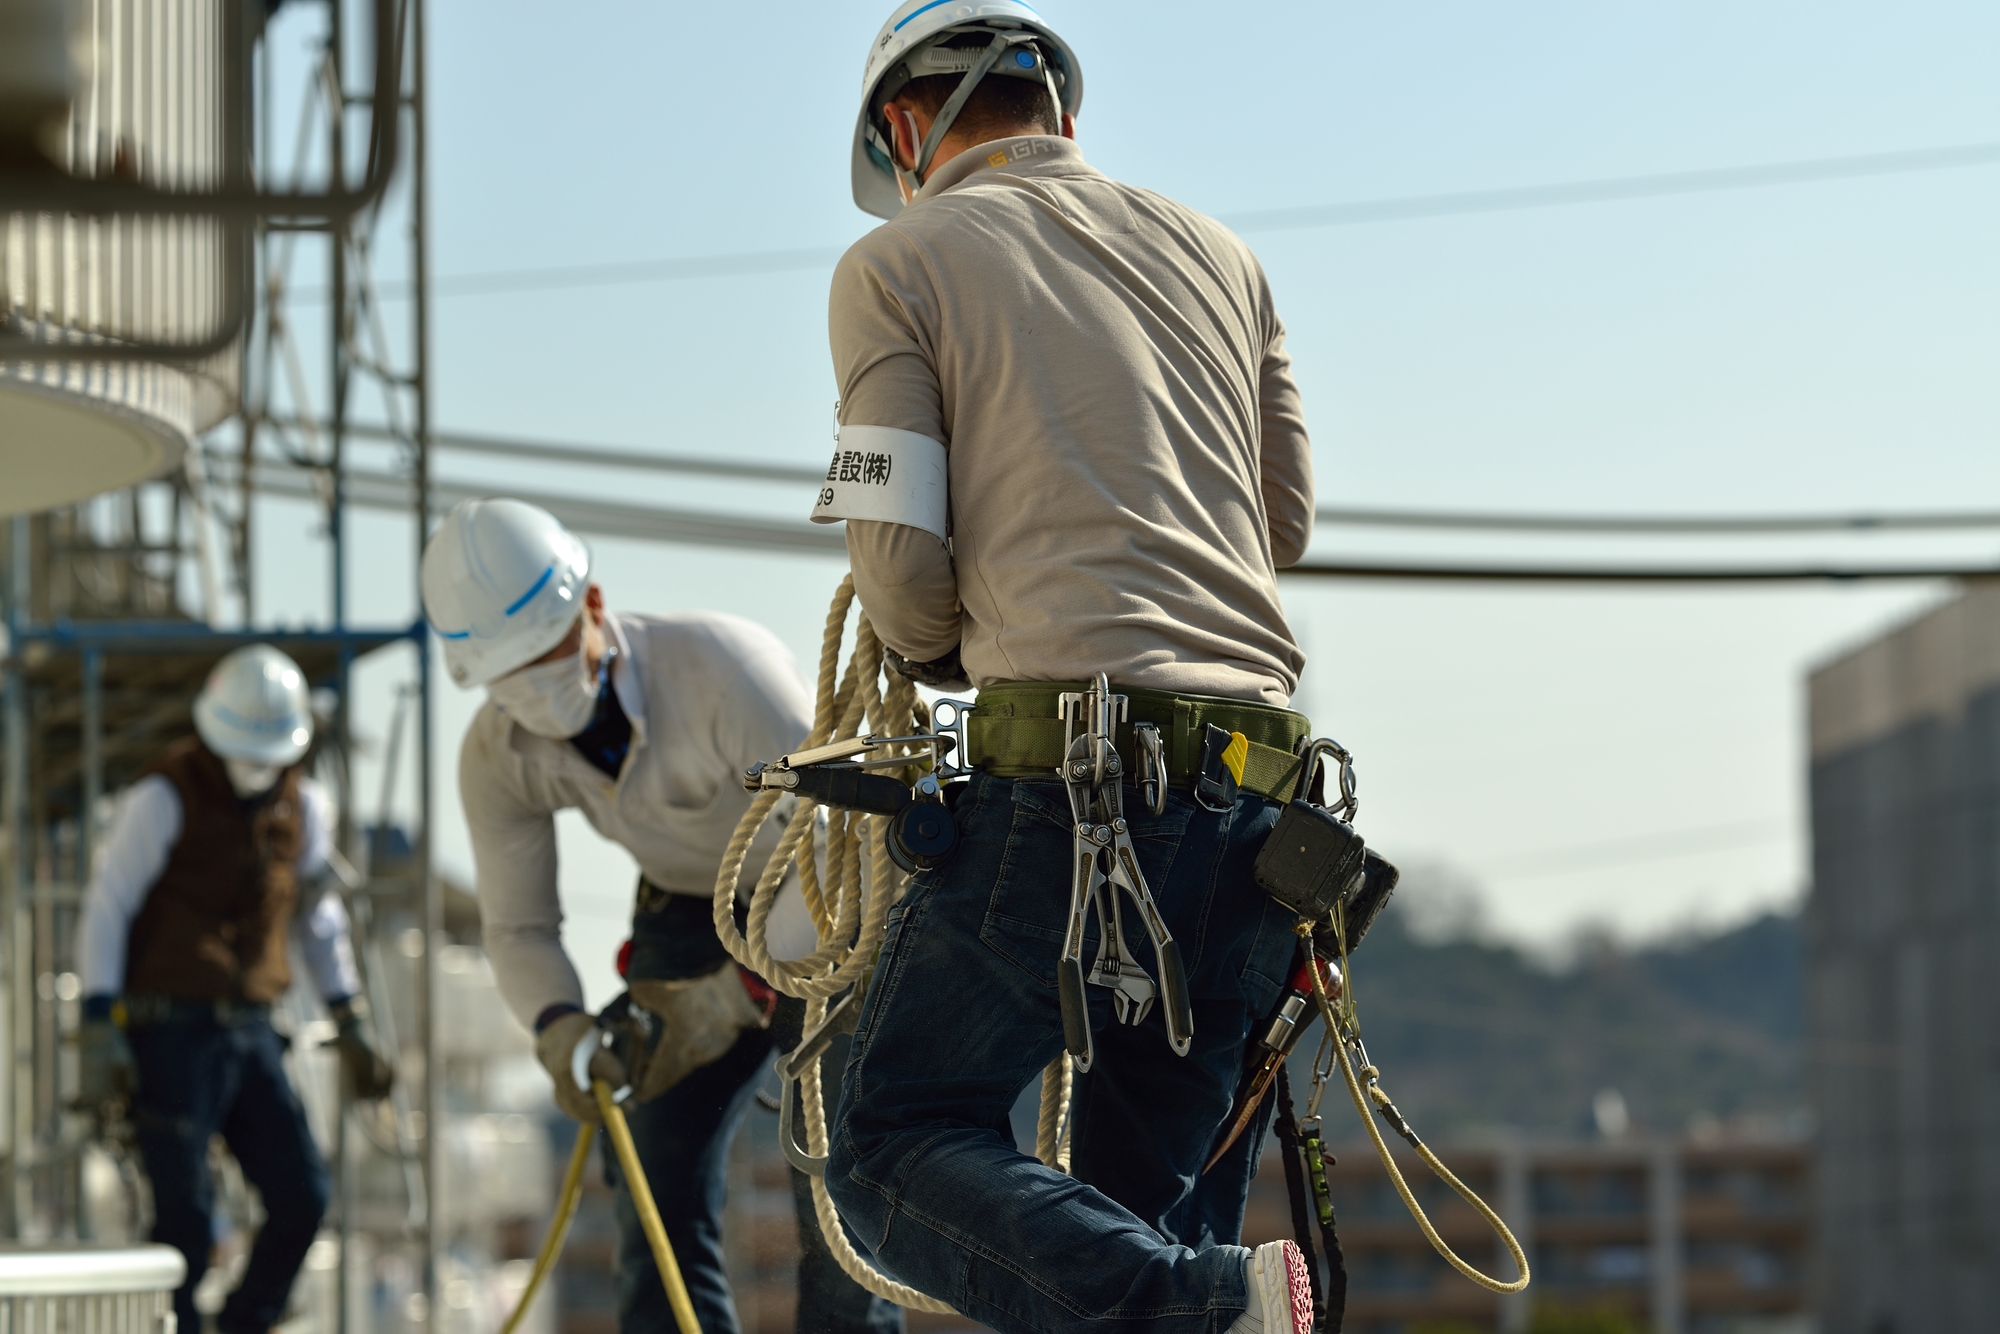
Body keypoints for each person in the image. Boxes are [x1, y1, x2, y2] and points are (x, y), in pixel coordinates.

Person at [813, 4, 1320, 1331]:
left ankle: (1202, 1306)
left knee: (890, 1137)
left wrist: (936, 642)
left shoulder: (896, 262)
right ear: (1065, 115)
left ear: (906, 129)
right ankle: (1210, 1302)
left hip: (1075, 792)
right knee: (1135, 1211)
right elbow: (1287, 525)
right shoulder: (1227, 256)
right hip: (1262, 804)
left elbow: (904, 574)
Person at [420, 497, 900, 1334]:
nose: (534, 688)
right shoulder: (497, 760)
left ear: (593, 607)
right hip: (686, 904)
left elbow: (831, 839)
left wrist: (745, 985)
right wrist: (560, 1025)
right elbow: (519, 926)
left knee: (834, 1197)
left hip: (820, 896)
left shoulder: (720, 672)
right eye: (509, 676)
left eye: (547, 652)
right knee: (650, 1170)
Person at [76, 644, 394, 1334]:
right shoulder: (162, 796)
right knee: (182, 1219)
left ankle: (243, 1325)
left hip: (251, 1029)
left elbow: (316, 918)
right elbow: (109, 906)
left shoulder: (302, 808)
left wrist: (349, 1013)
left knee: (302, 1196)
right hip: (170, 1031)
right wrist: (99, 1020)